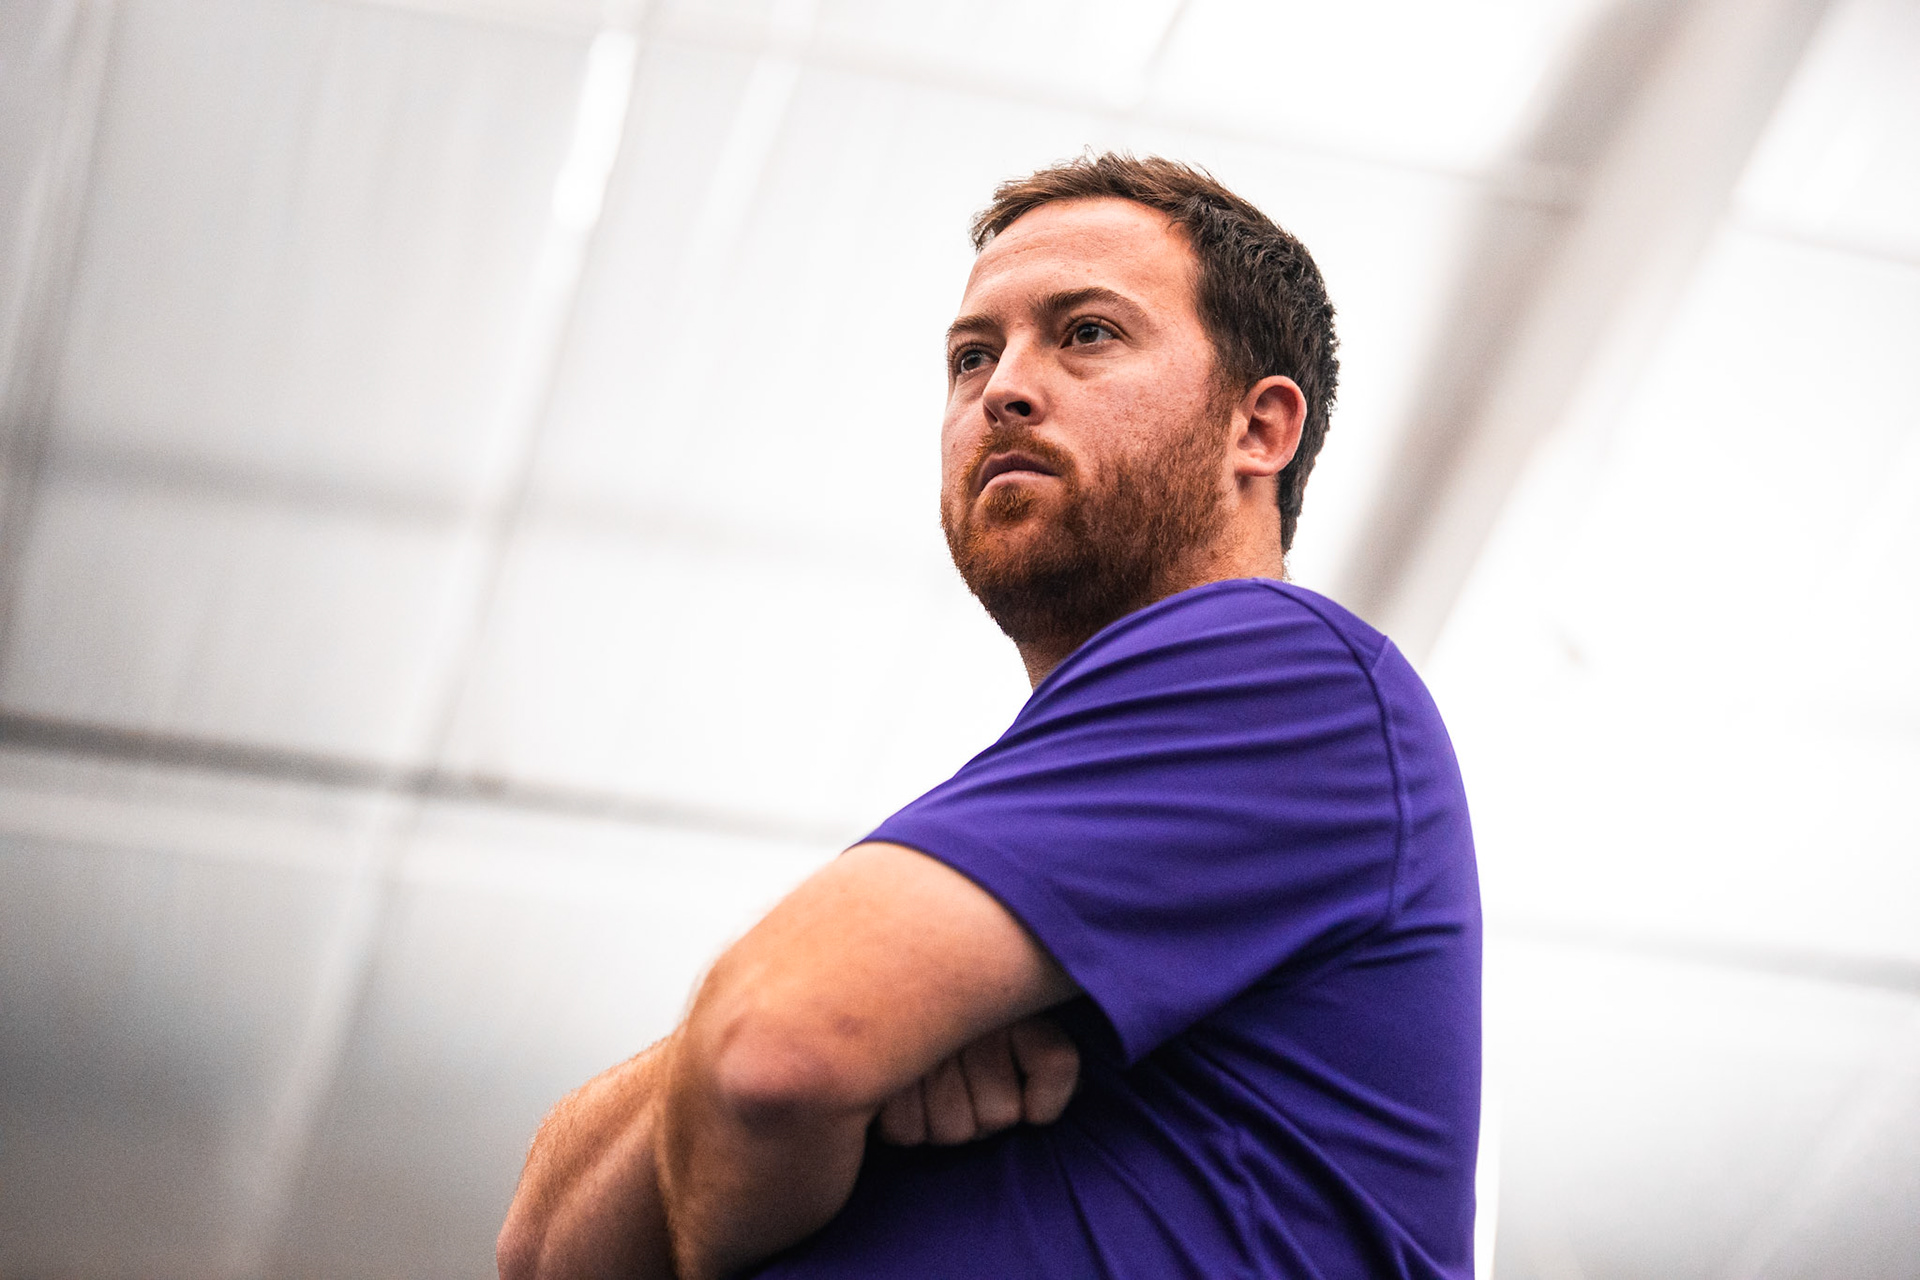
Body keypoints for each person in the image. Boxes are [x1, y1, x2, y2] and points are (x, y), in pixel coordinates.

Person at [497, 153, 1481, 1280]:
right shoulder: (1030, 808)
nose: (1005, 386)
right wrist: (888, 1035)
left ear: (1259, 428)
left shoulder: (1288, 672)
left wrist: (786, 1093)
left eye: (1088, 333)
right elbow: (538, 1240)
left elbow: (770, 1052)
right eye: (974, 355)